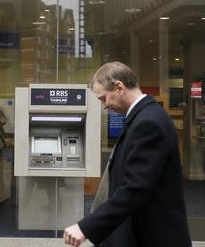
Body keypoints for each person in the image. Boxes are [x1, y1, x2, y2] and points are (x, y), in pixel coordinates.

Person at [64, 61, 191, 247]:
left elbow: (135, 188)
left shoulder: (148, 123)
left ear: (119, 87)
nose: (104, 106)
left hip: (154, 237)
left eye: (103, 98)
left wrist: (86, 227)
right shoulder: (143, 117)